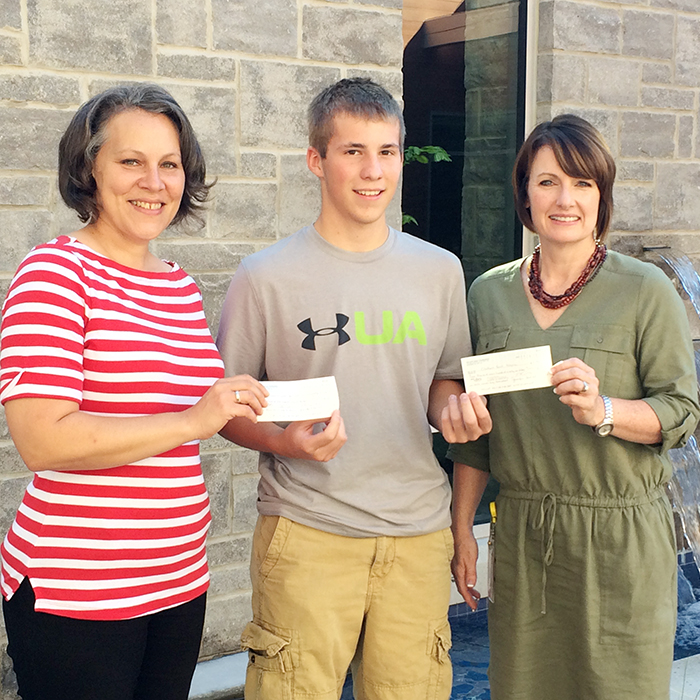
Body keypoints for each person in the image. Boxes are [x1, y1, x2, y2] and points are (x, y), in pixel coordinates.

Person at [216, 77, 492, 700]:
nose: (373, 172)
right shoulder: (264, 277)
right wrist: (288, 443)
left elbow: (443, 378)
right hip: (307, 529)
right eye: (352, 152)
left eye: (387, 152)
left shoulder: (440, 270)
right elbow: (226, 410)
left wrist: (454, 411)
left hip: (418, 534)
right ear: (317, 160)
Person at [0, 84, 268, 700]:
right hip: (80, 591)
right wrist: (189, 420)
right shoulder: (54, 274)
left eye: (169, 163)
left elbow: (203, 409)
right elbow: (42, 439)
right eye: (131, 161)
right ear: (89, 170)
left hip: (177, 579)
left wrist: (284, 434)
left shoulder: (176, 285)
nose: (154, 181)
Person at [449, 114, 700, 700]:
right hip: (524, 539)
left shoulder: (644, 290)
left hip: (621, 539)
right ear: (525, 194)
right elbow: (477, 437)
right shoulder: (488, 294)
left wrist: (606, 409)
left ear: (601, 195)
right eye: (548, 182)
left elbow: (682, 409)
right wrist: (462, 528)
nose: (565, 199)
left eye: (583, 183)